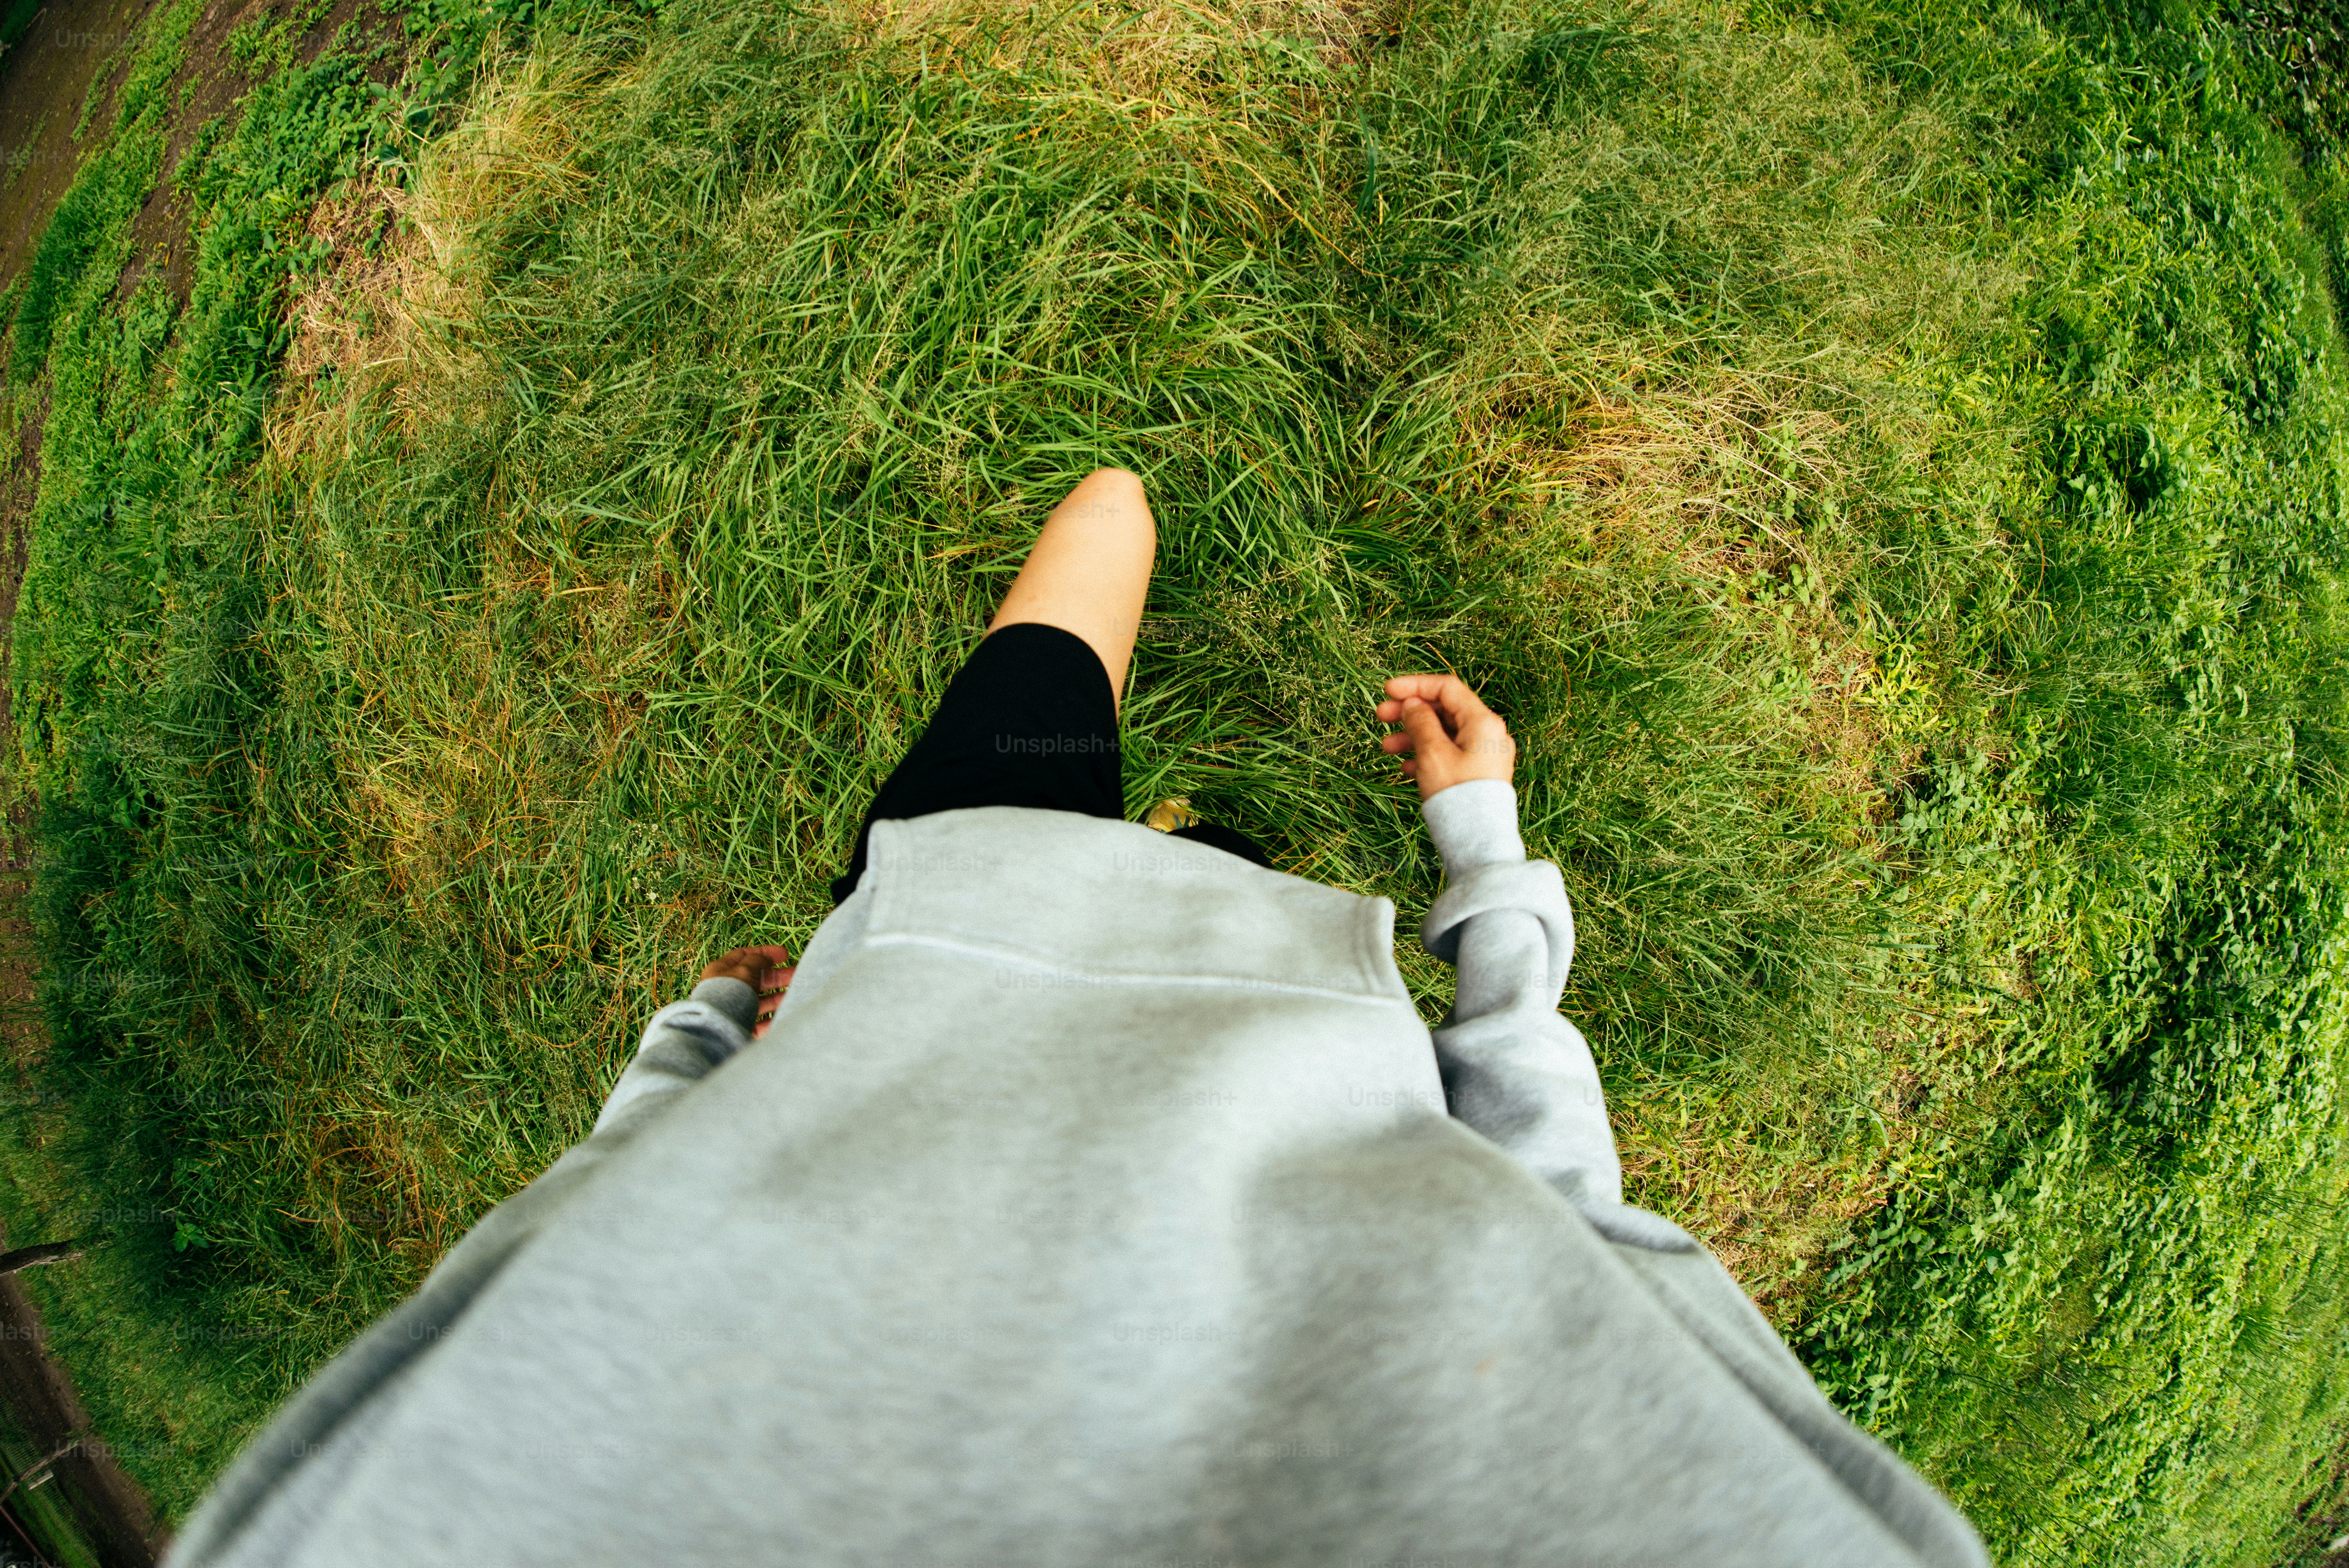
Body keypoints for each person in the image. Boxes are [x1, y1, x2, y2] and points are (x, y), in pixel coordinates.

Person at [166, 469, 1989, 1567]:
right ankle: (1195, 851)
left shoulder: (344, 1530)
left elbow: (561, 1244)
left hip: (997, 902)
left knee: (1111, 511)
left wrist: (713, 1041)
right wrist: (1485, 858)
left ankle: (1191, 849)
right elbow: (1577, 1225)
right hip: (1032, 921)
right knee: (1112, 518)